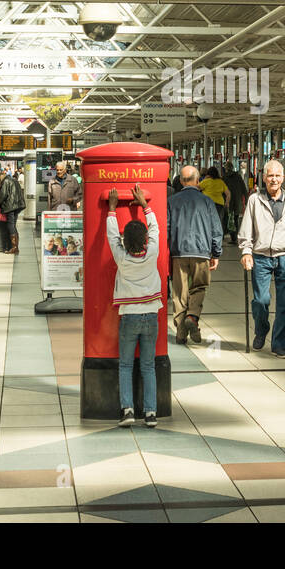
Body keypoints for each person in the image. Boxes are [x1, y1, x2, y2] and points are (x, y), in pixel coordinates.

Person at [237, 159, 285, 358]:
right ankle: (261, 329)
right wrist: (246, 252)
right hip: (261, 257)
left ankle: (279, 344)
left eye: (277, 175)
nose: (274, 179)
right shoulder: (255, 199)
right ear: (264, 178)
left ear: (283, 178)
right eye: (270, 176)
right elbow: (246, 230)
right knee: (261, 300)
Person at [105, 184, 161, 429]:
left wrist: (112, 209)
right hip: (151, 316)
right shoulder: (153, 252)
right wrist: (146, 206)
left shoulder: (121, 257)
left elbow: (110, 235)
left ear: (125, 241)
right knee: (148, 366)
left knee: (126, 365)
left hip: (128, 317)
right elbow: (156, 229)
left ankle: (127, 410)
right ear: (146, 241)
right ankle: (151, 413)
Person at [168, 165, 223, 346]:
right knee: (198, 287)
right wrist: (216, 252)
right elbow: (216, 229)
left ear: (182, 181)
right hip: (201, 252)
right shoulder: (206, 201)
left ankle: (181, 333)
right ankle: (192, 317)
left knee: (179, 293)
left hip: (179, 253)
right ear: (197, 180)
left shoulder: (172, 201)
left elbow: (166, 229)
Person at [199, 166, 231, 232]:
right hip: (219, 205)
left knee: (208, 221)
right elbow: (228, 193)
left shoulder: (206, 181)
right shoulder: (221, 182)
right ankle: (219, 237)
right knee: (218, 221)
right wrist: (227, 203)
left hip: (207, 204)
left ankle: (208, 236)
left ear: (208, 174)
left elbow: (196, 189)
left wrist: (205, 179)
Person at [223, 163, 248, 238]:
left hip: (228, 201)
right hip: (237, 200)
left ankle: (231, 234)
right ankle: (235, 234)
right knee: (236, 218)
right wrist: (246, 199)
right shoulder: (238, 176)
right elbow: (243, 188)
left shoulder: (224, 177)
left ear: (226, 168)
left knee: (228, 218)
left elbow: (222, 191)